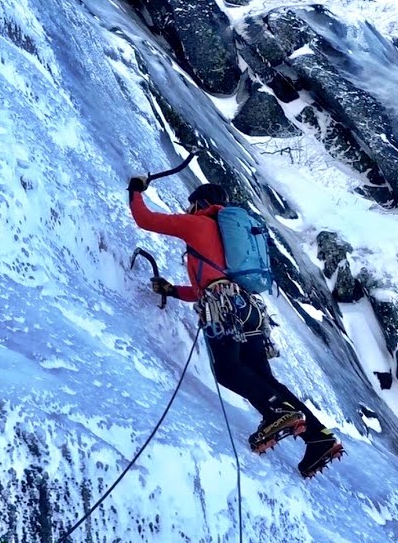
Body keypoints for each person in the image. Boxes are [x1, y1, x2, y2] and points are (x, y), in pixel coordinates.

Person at [128, 176, 344, 478]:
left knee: (229, 371)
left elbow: (145, 219)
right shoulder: (233, 237)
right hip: (249, 310)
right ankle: (318, 438)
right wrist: (172, 290)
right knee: (263, 377)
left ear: (200, 204)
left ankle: (277, 412)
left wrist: (136, 188)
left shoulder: (197, 224)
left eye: (191, 205)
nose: (187, 209)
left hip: (223, 310)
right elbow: (205, 285)